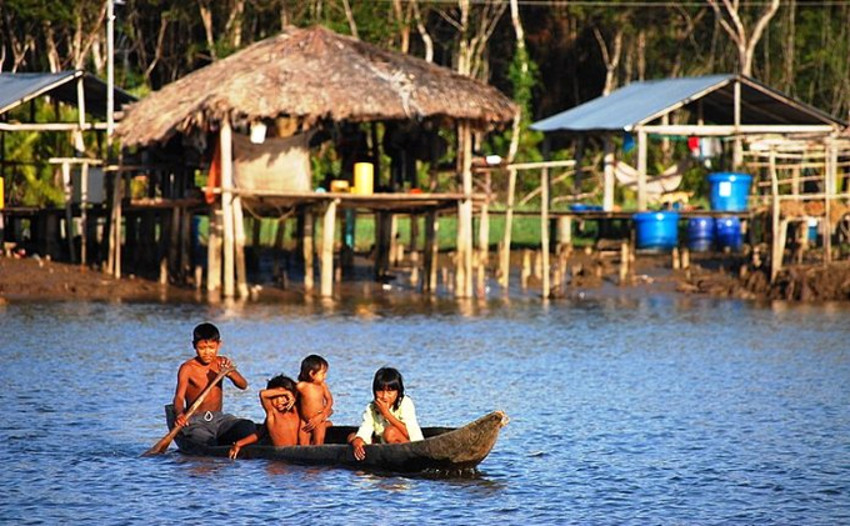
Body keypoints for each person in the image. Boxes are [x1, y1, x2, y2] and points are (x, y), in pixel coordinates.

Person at [172, 322, 255, 450]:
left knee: (248, 427)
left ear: (219, 345)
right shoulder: (187, 368)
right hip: (196, 421)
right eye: (202, 348)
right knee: (205, 441)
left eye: (211, 348)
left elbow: (243, 385)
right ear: (194, 346)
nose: (207, 353)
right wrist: (179, 414)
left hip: (219, 419)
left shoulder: (221, 363)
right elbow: (179, 397)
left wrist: (229, 373)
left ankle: (223, 440)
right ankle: (215, 443)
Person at [349, 367, 423, 461]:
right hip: (384, 444)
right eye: (380, 391)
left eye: (390, 391)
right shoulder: (372, 407)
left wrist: (386, 414)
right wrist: (358, 440)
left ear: (398, 392)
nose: (384, 396)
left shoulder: (405, 403)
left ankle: (401, 462)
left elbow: (408, 433)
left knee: (390, 432)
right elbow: (365, 429)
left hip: (411, 445)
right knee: (352, 437)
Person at [229, 375, 301, 459]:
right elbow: (263, 394)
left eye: (284, 397)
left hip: (298, 453)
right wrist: (238, 444)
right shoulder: (273, 414)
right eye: (275, 397)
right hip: (280, 459)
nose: (279, 401)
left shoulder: (296, 411)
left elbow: (259, 434)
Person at [296, 355, 334, 445]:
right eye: (322, 373)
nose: (325, 376)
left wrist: (323, 413)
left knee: (319, 441)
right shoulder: (301, 386)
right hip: (304, 421)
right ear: (312, 373)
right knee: (303, 443)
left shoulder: (322, 385)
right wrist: (290, 398)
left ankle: (316, 446)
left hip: (319, 419)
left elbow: (329, 400)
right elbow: (292, 394)